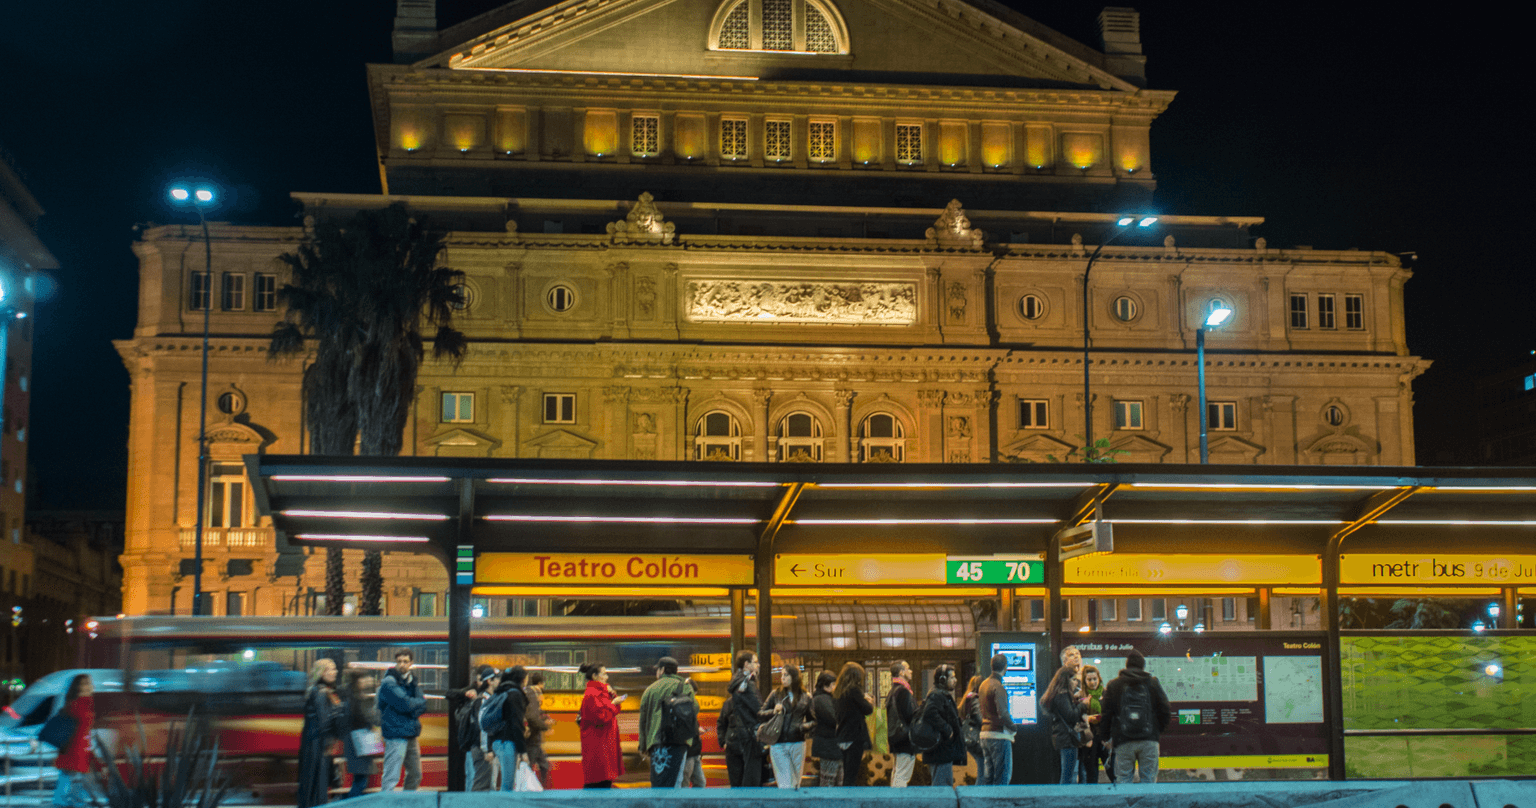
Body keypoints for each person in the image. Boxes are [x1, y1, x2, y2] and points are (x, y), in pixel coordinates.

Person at [1100, 649, 1172, 784]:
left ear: (1126, 666)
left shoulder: (1114, 685)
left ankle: (1127, 805)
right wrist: (1157, 731)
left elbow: (1106, 713)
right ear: (1143, 666)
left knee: (1123, 780)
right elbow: (1165, 709)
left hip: (1123, 740)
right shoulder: (1152, 683)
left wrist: (1105, 736)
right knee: (1149, 780)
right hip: (1149, 740)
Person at [639, 656, 692, 788]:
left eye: (657, 669)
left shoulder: (650, 690)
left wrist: (643, 745)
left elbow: (643, 720)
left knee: (658, 781)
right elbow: (694, 711)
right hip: (679, 742)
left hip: (657, 741)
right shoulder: (686, 688)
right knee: (676, 781)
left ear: (662, 670)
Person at [377, 651, 426, 792]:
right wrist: (413, 705)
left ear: (411, 663)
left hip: (410, 733)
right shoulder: (389, 683)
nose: (402, 664)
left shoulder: (412, 682)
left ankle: (406, 802)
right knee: (391, 777)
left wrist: (412, 706)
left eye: (405, 661)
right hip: (395, 734)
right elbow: (405, 704)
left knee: (416, 774)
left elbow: (423, 705)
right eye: (399, 661)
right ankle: (386, 804)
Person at [297, 659, 342, 808]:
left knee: (310, 785)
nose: (335, 672)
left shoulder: (316, 690)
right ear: (322, 672)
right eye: (331, 669)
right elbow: (325, 722)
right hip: (318, 746)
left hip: (313, 743)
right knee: (318, 786)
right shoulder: (322, 693)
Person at [446, 666, 498, 792]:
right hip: (479, 745)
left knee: (488, 782)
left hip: (485, 745)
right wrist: (487, 749)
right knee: (477, 780)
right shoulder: (479, 698)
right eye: (496, 679)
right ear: (488, 681)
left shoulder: (491, 698)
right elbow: (482, 726)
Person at [761, 664, 812, 789]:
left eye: (786, 675)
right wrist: (773, 710)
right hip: (778, 742)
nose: (782, 678)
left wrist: (801, 727)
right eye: (781, 675)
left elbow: (813, 721)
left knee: (795, 782)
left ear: (794, 677)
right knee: (784, 783)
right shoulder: (775, 694)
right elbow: (761, 714)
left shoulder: (806, 697)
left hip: (798, 742)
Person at [578, 663, 626, 788]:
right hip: (598, 746)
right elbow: (602, 717)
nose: (607, 677)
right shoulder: (592, 694)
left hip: (604, 743)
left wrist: (613, 696)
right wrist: (614, 702)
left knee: (604, 781)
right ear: (594, 676)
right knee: (598, 782)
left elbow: (613, 711)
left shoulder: (602, 693)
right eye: (604, 673)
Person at [977, 652, 1022, 785]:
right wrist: (1013, 726)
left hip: (985, 734)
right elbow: (1002, 713)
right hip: (998, 735)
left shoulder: (983, 685)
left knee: (988, 777)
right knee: (1002, 777)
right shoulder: (998, 687)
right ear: (1005, 667)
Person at [51, 674, 94, 808]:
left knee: (71, 780)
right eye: (84, 684)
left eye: (88, 683)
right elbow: (79, 727)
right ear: (78, 687)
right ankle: (67, 803)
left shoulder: (84, 703)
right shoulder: (76, 704)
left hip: (80, 748)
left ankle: (72, 802)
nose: (87, 686)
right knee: (69, 780)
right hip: (74, 749)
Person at [1040, 665, 1087, 784]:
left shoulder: (1059, 694)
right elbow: (1071, 716)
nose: (1076, 682)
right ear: (1067, 679)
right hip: (1067, 739)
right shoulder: (1062, 694)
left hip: (1064, 737)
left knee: (1069, 773)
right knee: (1068, 775)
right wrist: (1083, 704)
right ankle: (1064, 800)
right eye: (1074, 679)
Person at [723, 651, 764, 787]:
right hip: (751, 731)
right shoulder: (747, 683)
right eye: (755, 662)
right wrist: (773, 712)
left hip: (743, 731)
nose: (758, 665)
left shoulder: (737, 682)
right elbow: (758, 708)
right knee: (753, 773)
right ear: (747, 664)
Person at [339, 669, 382, 799]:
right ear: (357, 681)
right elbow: (363, 718)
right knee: (361, 781)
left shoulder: (354, 696)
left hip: (358, 743)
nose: (366, 681)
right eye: (363, 678)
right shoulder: (355, 698)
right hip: (359, 743)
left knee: (360, 779)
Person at [920, 664, 965, 787]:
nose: (955, 681)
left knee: (944, 784)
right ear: (942, 680)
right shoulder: (937, 695)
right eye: (952, 678)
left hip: (942, 750)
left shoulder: (940, 694)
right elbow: (929, 713)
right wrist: (947, 730)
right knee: (942, 786)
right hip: (940, 751)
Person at [832, 661, 874, 787]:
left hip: (842, 736)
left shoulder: (838, 692)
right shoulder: (854, 690)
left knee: (846, 771)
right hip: (855, 736)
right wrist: (868, 700)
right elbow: (868, 710)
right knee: (851, 775)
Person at [489, 666, 530, 791]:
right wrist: (523, 751)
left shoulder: (502, 691)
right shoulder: (514, 694)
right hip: (506, 742)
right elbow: (516, 724)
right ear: (523, 679)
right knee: (507, 785)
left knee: (506, 784)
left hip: (498, 741)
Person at [884, 660, 918, 787]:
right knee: (902, 776)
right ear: (901, 672)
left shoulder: (893, 690)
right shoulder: (903, 691)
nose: (911, 671)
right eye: (908, 668)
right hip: (905, 739)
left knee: (897, 773)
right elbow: (910, 715)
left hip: (896, 738)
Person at [1078, 665, 1110, 785]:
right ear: (1085, 681)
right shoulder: (1080, 696)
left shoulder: (1106, 693)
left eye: (1094, 679)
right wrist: (1088, 719)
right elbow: (1076, 720)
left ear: (1099, 679)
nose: (1092, 682)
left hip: (1104, 737)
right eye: (1089, 680)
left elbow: (1112, 714)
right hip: (1089, 739)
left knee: (1112, 770)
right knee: (1092, 773)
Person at [810, 671, 842, 787]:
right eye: (833, 684)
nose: (835, 687)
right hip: (829, 746)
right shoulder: (821, 699)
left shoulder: (824, 698)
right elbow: (834, 719)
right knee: (829, 780)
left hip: (829, 745)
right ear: (825, 685)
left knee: (829, 779)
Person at [524, 671, 555, 788]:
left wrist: (545, 717)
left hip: (534, 739)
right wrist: (545, 727)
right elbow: (532, 716)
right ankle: (530, 790)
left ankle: (541, 788)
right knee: (530, 766)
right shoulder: (533, 693)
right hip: (532, 739)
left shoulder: (529, 692)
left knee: (544, 765)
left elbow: (535, 712)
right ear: (541, 683)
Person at [958, 675, 985, 785]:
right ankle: (979, 796)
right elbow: (980, 719)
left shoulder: (967, 697)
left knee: (982, 768)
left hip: (969, 737)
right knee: (983, 769)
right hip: (976, 737)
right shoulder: (975, 698)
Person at [681, 678, 707, 787]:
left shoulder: (688, 705)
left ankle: (695, 803)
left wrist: (697, 729)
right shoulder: (684, 705)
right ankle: (685, 803)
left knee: (700, 782)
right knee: (685, 781)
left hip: (694, 750)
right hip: (688, 750)